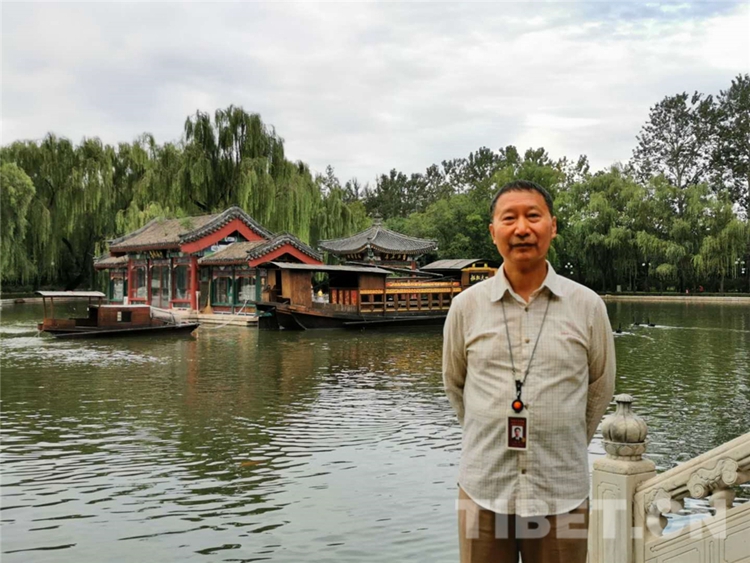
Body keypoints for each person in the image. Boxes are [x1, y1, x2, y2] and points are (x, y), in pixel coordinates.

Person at [442, 180, 615, 563]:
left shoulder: (587, 306)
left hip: (561, 490)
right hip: (484, 486)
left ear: (552, 226)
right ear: (493, 232)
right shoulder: (466, 307)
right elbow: (455, 384)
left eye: (533, 216)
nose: (522, 228)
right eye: (509, 218)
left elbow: (600, 388)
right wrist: (487, 430)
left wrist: (562, 438)